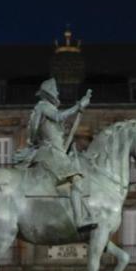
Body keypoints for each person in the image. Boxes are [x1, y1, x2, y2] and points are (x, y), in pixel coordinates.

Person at [14, 78, 96, 233]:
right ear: (50, 92)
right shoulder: (43, 106)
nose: (58, 93)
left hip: (56, 151)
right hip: (50, 153)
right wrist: (78, 106)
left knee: (74, 179)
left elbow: (56, 129)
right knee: (76, 180)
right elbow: (59, 117)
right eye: (56, 90)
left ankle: (79, 214)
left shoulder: (46, 109)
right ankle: (79, 221)